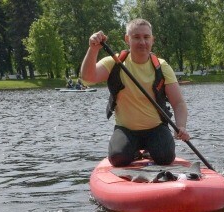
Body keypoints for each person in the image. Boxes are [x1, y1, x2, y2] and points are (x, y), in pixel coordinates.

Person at [81, 18, 189, 167]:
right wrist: (93, 49)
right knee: (118, 159)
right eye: (136, 37)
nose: (142, 42)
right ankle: (134, 152)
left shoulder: (162, 67)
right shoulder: (114, 62)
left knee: (166, 158)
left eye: (146, 37)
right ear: (127, 39)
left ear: (152, 40)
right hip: (126, 130)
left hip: (156, 128)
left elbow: (178, 103)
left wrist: (181, 126)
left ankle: (151, 151)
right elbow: (87, 78)